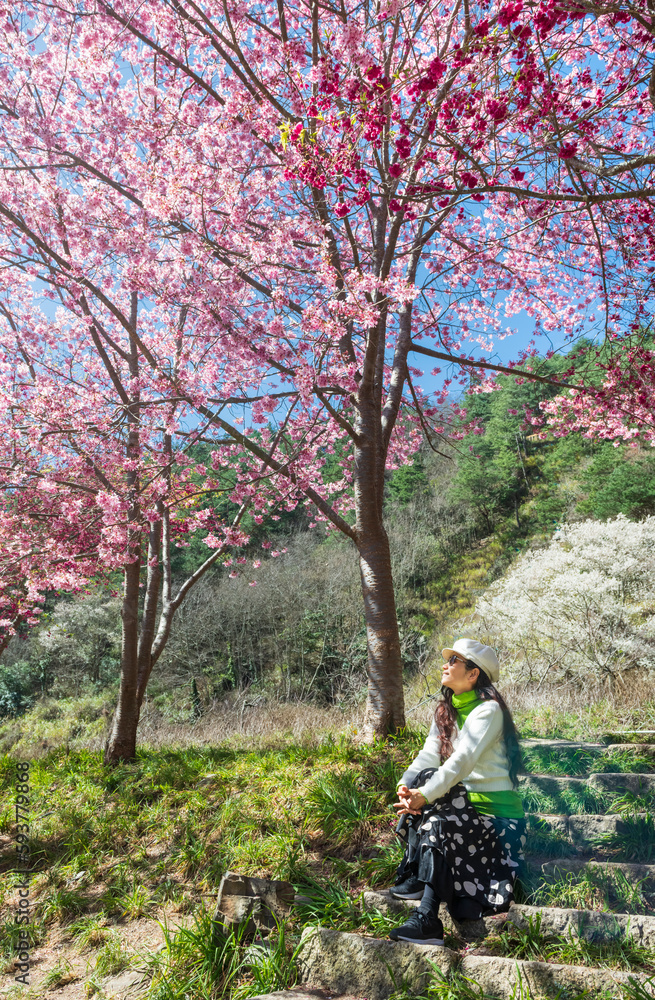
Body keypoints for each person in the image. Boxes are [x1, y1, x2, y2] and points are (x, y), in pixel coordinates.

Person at [388, 638, 526, 946]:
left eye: (453, 661)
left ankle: (427, 916)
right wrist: (406, 786)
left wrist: (424, 795)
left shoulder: (489, 711)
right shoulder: (445, 711)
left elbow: (461, 762)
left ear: (473, 674)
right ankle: (419, 870)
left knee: (437, 818)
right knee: (424, 777)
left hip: (496, 821)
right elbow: (428, 755)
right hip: (464, 810)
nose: (444, 665)